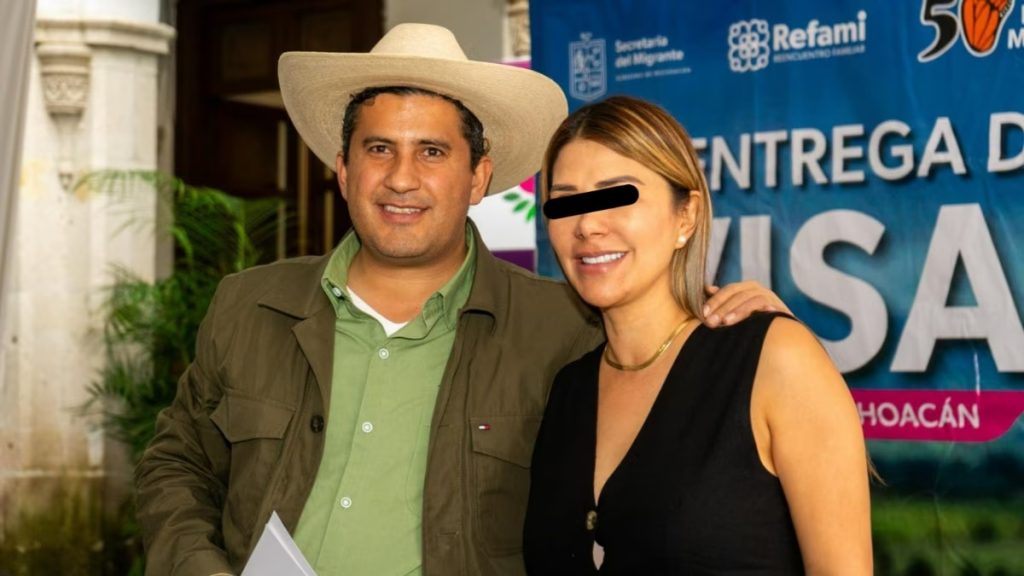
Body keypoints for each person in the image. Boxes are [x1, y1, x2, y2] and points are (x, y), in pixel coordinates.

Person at [134, 24, 790, 576]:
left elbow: (675, 396)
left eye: (432, 152)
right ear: (344, 169)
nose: (401, 178)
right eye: (379, 149)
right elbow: (177, 462)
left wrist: (733, 325)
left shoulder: (567, 329)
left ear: (478, 177)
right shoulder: (249, 306)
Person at [523, 96, 872, 574]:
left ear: (685, 217)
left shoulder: (773, 358)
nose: (587, 225)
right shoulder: (568, 388)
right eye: (567, 202)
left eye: (617, 195)